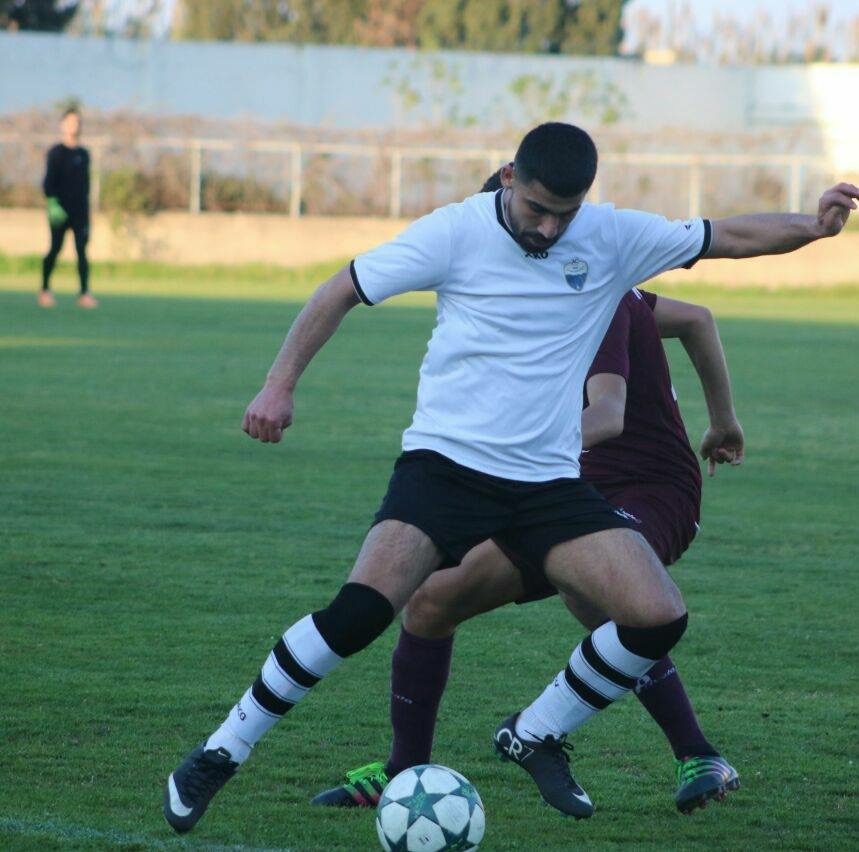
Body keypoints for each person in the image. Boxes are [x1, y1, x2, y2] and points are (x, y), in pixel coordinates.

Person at [163, 122, 857, 834]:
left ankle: (535, 731)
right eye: (536, 209)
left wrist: (812, 226)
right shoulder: (455, 231)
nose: (549, 228)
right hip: (445, 468)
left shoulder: (609, 236)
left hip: (546, 485)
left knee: (656, 615)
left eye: (565, 214)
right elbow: (341, 288)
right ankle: (218, 753)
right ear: (507, 178)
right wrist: (278, 386)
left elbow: (726, 236)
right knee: (360, 613)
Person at [310, 271, 743, 816]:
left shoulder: (594, 296)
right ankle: (404, 770)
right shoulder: (540, 293)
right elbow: (696, 318)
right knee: (432, 599)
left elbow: (608, 415)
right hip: (563, 481)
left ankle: (673, 751)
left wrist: (509, 447)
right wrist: (723, 423)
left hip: (650, 486)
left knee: (601, 594)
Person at [39, 107, 98, 309]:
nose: (75, 126)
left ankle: (84, 293)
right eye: (71, 122)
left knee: (82, 251)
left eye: (78, 122)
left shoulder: (84, 154)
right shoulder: (56, 153)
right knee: (55, 249)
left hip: (80, 212)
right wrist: (52, 204)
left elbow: (85, 185)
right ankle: (45, 290)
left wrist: (87, 212)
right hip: (59, 211)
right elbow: (48, 182)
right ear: (62, 125)